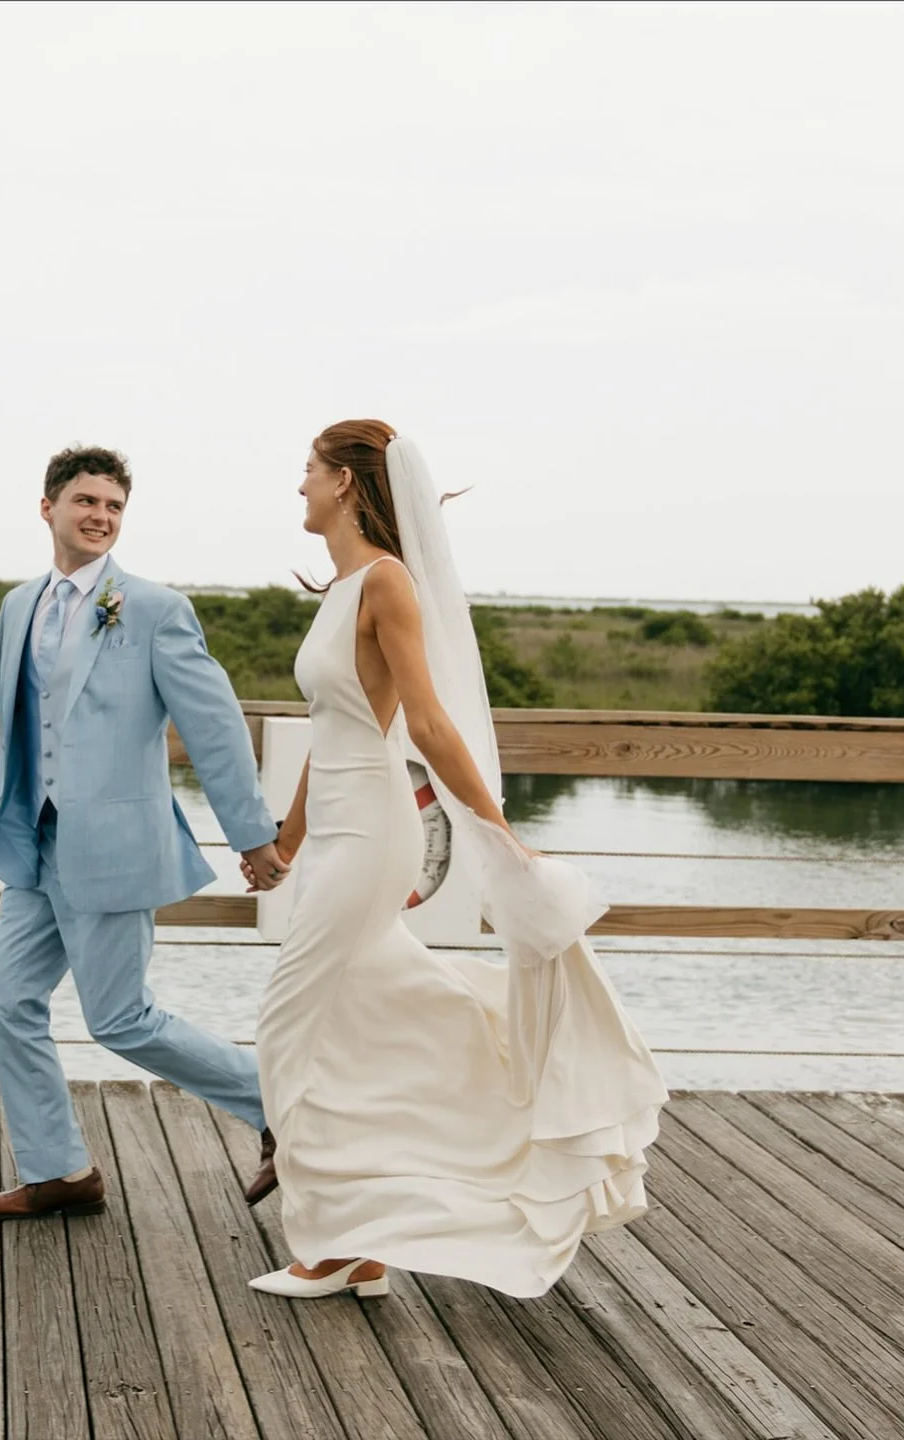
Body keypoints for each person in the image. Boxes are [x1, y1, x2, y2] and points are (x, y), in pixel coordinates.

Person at [245, 420, 666, 1299]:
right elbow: (335, 733)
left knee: (289, 1024)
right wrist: (287, 840)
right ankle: (361, 1238)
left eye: (310, 473)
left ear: (348, 485)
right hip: (336, 830)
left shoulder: (389, 584)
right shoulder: (343, 588)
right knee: (364, 1017)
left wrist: (495, 828)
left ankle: (330, 1242)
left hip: (371, 834)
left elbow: (427, 722)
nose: (300, 488)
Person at [0, 445, 287, 1219]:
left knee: (121, 1018)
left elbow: (216, 727)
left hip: (116, 848)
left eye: (114, 507)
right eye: (86, 501)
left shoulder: (156, 609)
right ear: (48, 507)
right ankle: (59, 1171)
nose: (100, 517)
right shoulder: (22, 603)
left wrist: (252, 836)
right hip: (33, 842)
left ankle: (284, 1110)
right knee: (8, 1001)